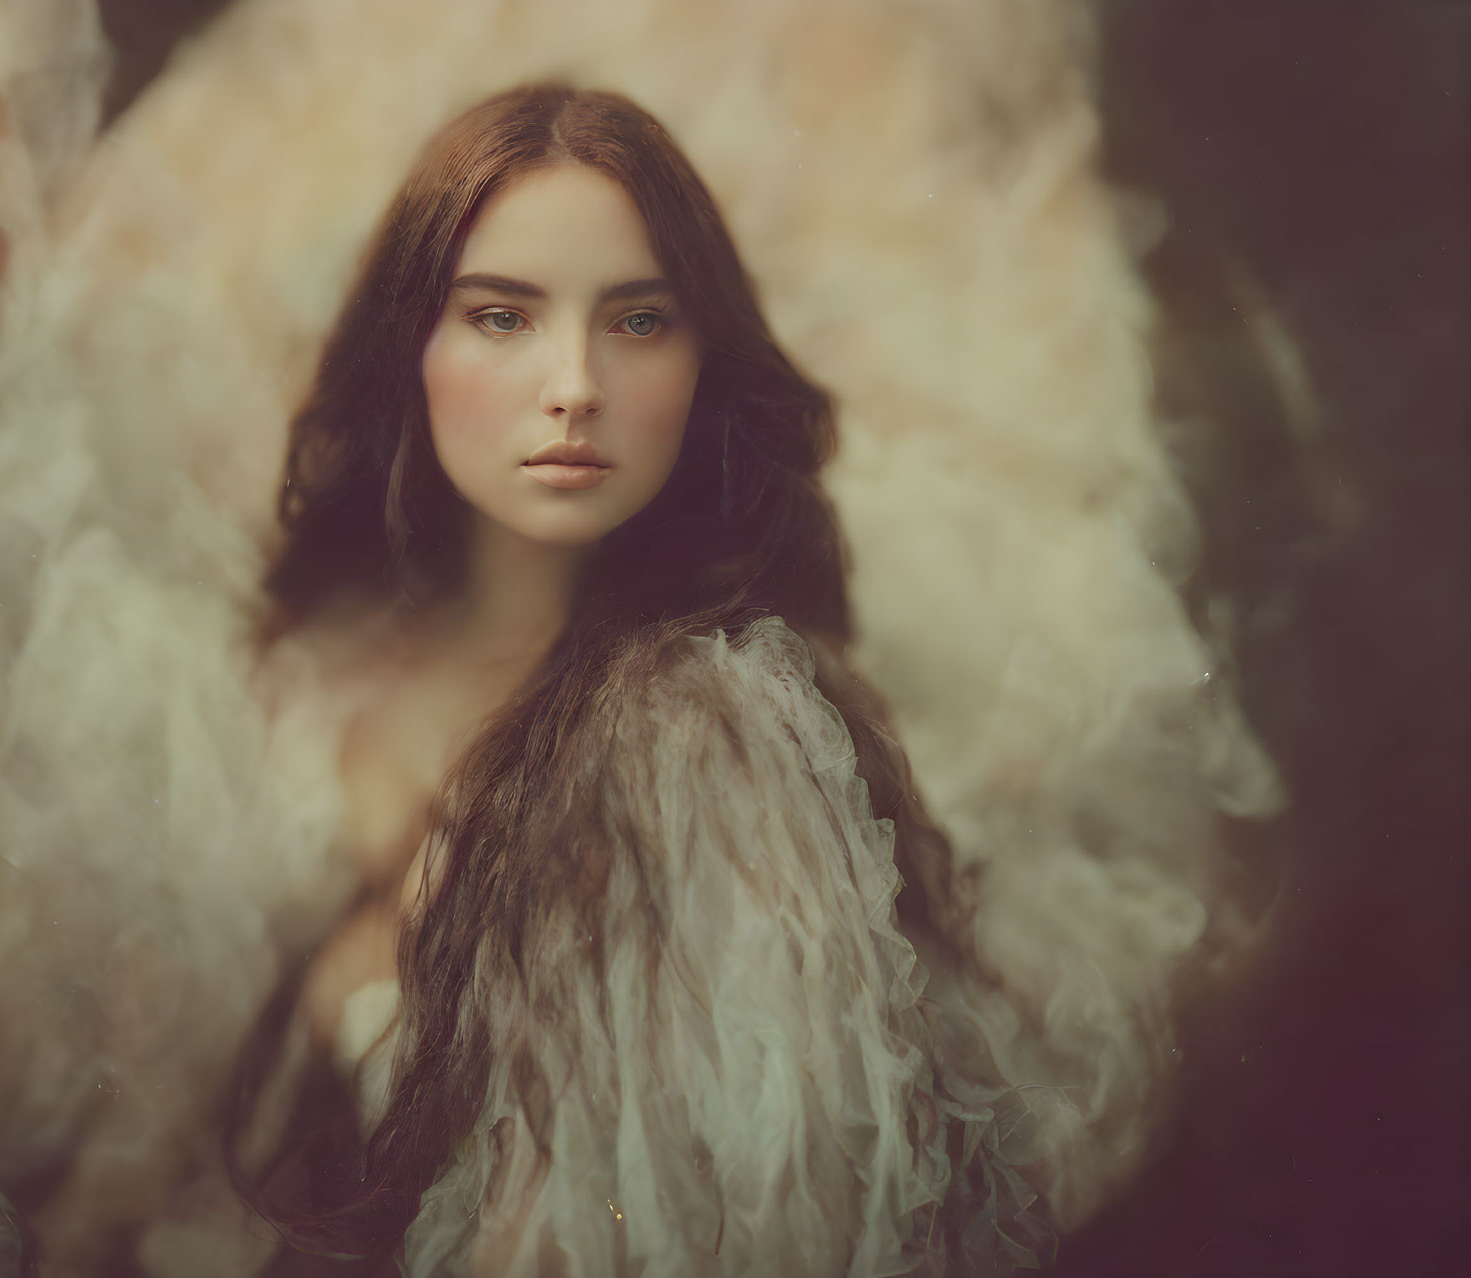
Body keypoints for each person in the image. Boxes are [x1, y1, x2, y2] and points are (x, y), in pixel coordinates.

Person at [229, 82, 1055, 1277]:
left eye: (636, 321)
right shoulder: (329, 677)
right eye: (502, 317)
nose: (574, 384)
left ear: (702, 363)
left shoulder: (704, 738)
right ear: (409, 347)